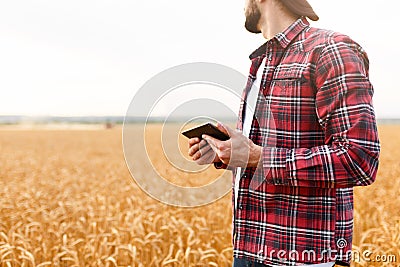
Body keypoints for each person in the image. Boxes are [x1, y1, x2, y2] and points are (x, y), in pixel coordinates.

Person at [188, 0, 380, 266]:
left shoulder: (331, 50)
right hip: (249, 248)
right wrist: (225, 151)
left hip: (302, 257)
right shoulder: (261, 63)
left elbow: (360, 159)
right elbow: (261, 151)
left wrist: (257, 156)